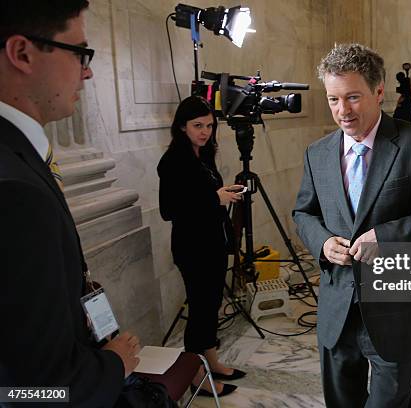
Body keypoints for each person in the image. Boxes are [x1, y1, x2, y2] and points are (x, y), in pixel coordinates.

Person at [293, 43, 411, 408]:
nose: (342, 111)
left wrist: (386, 237)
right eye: (333, 99)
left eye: (353, 97)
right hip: (337, 313)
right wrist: (323, 243)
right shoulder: (317, 153)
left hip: (396, 311)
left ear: (378, 91)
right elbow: (304, 214)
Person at [0, 1, 141, 406]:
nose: (88, 70)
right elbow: (30, 393)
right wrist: (114, 365)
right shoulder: (15, 192)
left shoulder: (22, 160)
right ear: (23, 53)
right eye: (79, 52)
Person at [157, 96, 246, 398]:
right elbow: (169, 209)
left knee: (210, 307)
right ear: (182, 126)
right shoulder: (172, 161)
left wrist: (223, 195)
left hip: (213, 243)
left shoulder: (203, 156)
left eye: (209, 125)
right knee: (200, 310)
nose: (205, 131)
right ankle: (196, 376)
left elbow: (206, 196)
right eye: (197, 126)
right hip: (192, 248)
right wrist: (214, 199)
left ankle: (211, 361)